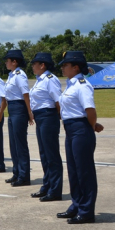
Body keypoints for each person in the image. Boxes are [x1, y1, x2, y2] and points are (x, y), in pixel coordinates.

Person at [57, 51, 104, 224]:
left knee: (84, 172)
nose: (62, 68)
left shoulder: (82, 85)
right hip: (71, 129)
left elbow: (90, 110)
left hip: (80, 130)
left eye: (65, 65)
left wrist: (91, 126)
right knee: (74, 171)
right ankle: (76, 205)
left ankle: (86, 211)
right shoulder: (71, 85)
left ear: (75, 67)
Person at [28, 52, 64, 202]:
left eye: (34, 63)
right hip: (41, 117)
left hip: (48, 116)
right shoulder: (40, 80)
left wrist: (57, 118)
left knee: (51, 155)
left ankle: (55, 190)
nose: (32, 66)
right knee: (44, 154)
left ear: (42, 65)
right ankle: (47, 186)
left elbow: (59, 102)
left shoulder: (50, 79)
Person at [1, 49, 34, 187]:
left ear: (14, 62)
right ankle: (17, 173)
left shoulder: (20, 75)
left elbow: (25, 94)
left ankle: (24, 176)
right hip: (12, 108)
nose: (6, 63)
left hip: (19, 108)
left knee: (20, 144)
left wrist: (29, 112)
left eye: (8, 60)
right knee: (13, 144)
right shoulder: (11, 75)